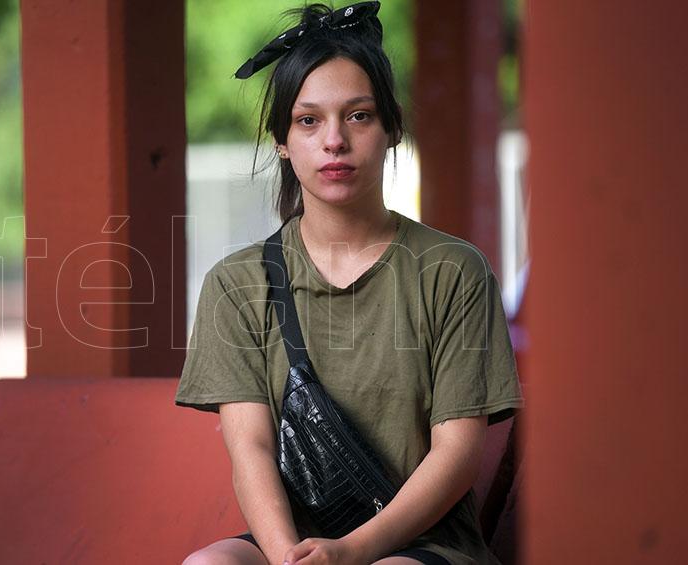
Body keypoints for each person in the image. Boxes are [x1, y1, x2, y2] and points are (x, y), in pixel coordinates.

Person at [175, 2, 523, 564]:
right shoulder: (236, 284)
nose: (334, 140)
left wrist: (350, 553)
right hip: (294, 542)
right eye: (308, 121)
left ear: (391, 129)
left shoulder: (453, 271)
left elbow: (457, 453)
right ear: (282, 139)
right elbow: (252, 449)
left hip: (421, 542)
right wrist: (289, 557)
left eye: (358, 116)